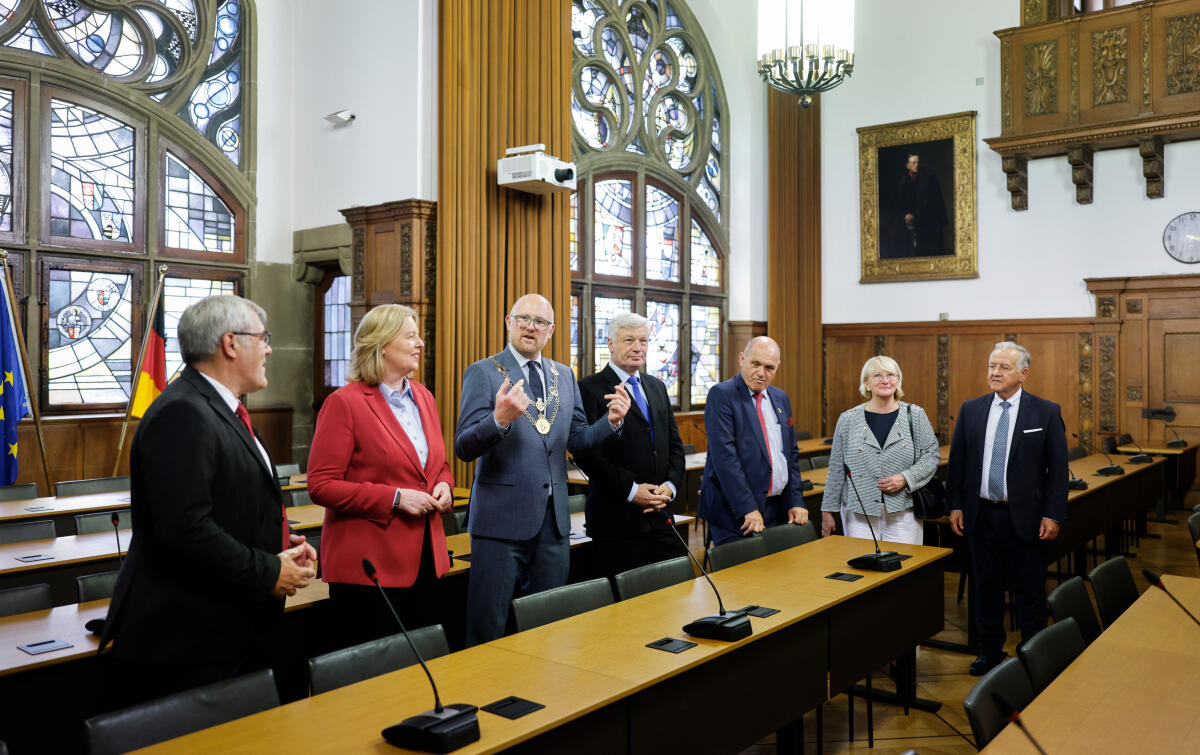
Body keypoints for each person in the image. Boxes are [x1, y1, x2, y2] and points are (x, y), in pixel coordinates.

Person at [101, 295, 317, 703]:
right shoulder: (183, 412)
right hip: (189, 637)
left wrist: (278, 545)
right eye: (263, 337)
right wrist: (267, 570)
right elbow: (185, 527)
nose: (270, 348)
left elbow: (227, 501)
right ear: (230, 344)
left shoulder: (220, 408)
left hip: (228, 623)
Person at [454, 293, 630, 646]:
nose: (531, 327)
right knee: (489, 627)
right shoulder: (484, 372)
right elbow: (463, 447)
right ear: (508, 322)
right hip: (500, 524)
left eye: (540, 322)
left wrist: (610, 422)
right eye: (523, 319)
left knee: (547, 626)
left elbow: (578, 438)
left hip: (553, 524)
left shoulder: (563, 375)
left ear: (551, 331)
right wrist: (498, 420)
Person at [307, 304, 455, 646]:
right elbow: (321, 485)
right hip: (369, 568)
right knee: (373, 682)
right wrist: (395, 498)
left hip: (426, 559)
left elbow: (435, 465)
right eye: (410, 336)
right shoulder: (345, 403)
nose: (420, 343)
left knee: (419, 670)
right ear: (382, 344)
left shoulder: (424, 397)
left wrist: (444, 483)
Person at [947, 341, 1067, 676]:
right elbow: (958, 463)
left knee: (1029, 592)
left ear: (1023, 374)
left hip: (1027, 519)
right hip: (981, 515)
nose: (995, 373)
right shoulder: (971, 409)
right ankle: (989, 651)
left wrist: (1053, 513)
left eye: (1004, 367)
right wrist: (955, 504)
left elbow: (1058, 471)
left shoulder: (1044, 412)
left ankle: (1034, 654)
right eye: (992, 366)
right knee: (986, 590)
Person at [574, 312, 686, 577]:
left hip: (661, 515)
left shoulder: (656, 386)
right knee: (624, 611)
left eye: (644, 341)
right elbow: (586, 454)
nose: (638, 347)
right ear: (611, 344)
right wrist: (632, 490)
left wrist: (669, 487)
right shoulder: (588, 388)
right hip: (617, 521)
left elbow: (674, 445)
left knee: (671, 600)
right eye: (629, 340)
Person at [698, 336, 809, 546]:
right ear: (742, 359)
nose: (761, 373)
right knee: (742, 578)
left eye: (769, 368)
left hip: (776, 508)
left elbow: (790, 454)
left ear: (778, 367)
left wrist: (795, 500)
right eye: (755, 364)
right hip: (735, 511)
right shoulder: (722, 395)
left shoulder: (780, 398)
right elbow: (725, 459)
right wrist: (746, 507)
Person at [821, 356, 940, 544]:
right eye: (877, 375)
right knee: (863, 568)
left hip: (904, 510)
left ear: (898, 381)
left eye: (891, 375)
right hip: (859, 513)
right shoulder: (848, 419)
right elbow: (836, 468)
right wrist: (827, 510)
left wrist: (905, 478)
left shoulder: (915, 415)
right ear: (866, 383)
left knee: (904, 566)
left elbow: (931, 456)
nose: (885, 380)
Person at [883, 153, 948, 259]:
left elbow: (930, 202)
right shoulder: (902, 180)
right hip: (908, 220)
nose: (916, 165)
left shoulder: (928, 177)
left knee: (928, 249)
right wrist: (906, 214)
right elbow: (899, 203)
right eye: (913, 163)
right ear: (907, 165)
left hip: (926, 219)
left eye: (917, 162)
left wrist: (915, 214)